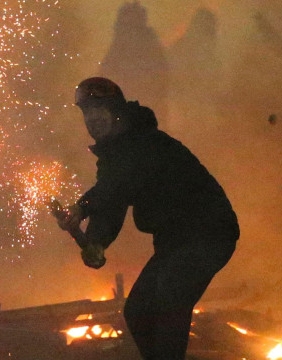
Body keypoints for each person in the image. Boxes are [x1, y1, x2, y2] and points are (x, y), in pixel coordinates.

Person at [55, 77, 239, 360]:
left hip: (207, 233)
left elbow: (112, 189)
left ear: (115, 111)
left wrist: (82, 210)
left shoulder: (141, 143)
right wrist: (96, 241)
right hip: (175, 242)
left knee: (170, 301)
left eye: (98, 110)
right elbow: (112, 200)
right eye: (86, 113)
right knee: (138, 310)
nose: (92, 120)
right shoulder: (118, 151)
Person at [100, 1, 170, 116]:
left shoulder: (147, 45)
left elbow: (161, 78)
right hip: (131, 108)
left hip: (144, 107)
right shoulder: (121, 46)